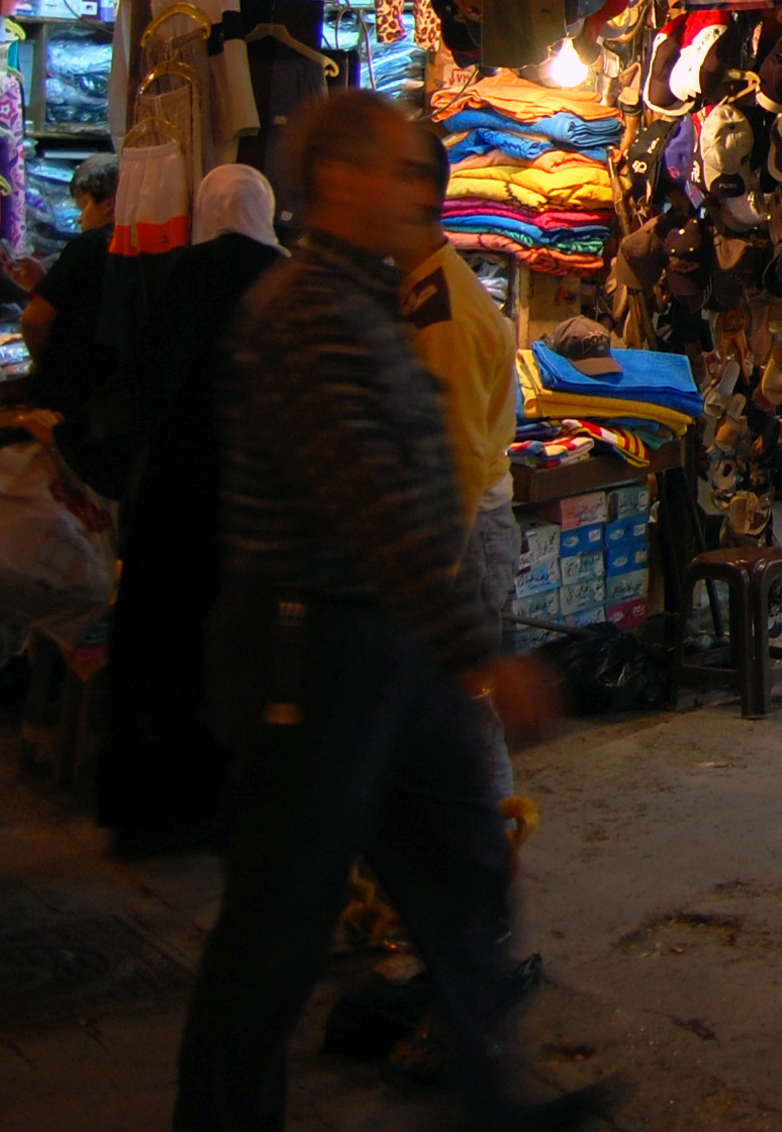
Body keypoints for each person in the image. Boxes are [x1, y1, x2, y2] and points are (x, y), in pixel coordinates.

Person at [172, 92, 601, 1132]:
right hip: (310, 647)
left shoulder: (375, 301)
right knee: (278, 921)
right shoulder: (308, 315)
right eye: (405, 172)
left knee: (459, 872)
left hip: (384, 644)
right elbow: (371, 497)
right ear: (340, 182)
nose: (425, 192)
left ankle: (491, 1095)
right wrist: (474, 648)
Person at [94, 165, 284, 858]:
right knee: (238, 660)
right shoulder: (284, 279)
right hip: (254, 504)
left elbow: (146, 385)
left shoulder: (183, 275)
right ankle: (231, 809)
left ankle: (155, 814)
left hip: (177, 497)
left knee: (163, 649)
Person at [399, 131, 523, 795]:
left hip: (460, 538)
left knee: (462, 720)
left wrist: (432, 583)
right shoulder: (423, 292)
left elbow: (456, 461)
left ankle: (485, 855)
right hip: (461, 533)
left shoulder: (443, 310)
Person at [21, 152, 122, 489]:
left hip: (71, 394)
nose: (79, 218)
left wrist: (41, 360)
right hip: (106, 394)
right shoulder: (138, 246)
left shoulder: (90, 244)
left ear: (107, 205)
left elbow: (36, 320)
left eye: (83, 207)